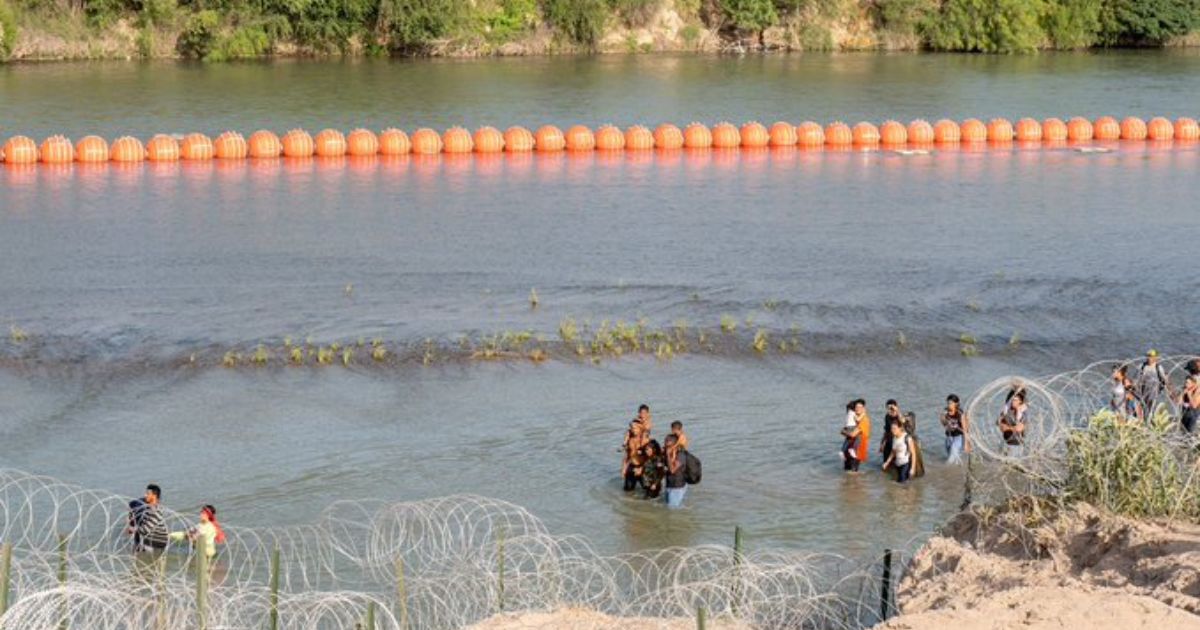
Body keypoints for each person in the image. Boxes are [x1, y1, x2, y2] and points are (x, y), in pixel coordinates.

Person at [127, 484, 168, 553]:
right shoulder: (147, 507)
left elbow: (145, 530)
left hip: (158, 542)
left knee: (135, 553)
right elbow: (131, 504)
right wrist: (131, 517)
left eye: (148, 493)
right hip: (151, 538)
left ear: (154, 496)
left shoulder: (155, 511)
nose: (145, 495)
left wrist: (131, 528)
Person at [1137, 350, 1170, 415]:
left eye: (1151, 356)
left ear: (1156, 358)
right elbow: (1136, 379)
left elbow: (1164, 380)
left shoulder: (1158, 367)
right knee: (1143, 409)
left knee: (1151, 409)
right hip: (1143, 391)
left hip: (1155, 392)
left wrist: (1168, 388)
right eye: (1148, 356)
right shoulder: (1142, 366)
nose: (1149, 358)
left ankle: (1150, 420)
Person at [940, 394, 970, 464]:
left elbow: (965, 430)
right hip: (948, 437)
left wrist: (966, 444)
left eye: (950, 403)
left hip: (958, 437)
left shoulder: (960, 414)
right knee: (952, 457)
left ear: (956, 404)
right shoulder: (945, 412)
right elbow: (943, 424)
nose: (948, 405)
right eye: (948, 403)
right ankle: (957, 471)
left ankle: (945, 470)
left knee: (950, 459)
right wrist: (942, 418)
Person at [621, 421, 649, 492]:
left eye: (635, 428)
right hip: (631, 466)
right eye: (631, 428)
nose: (633, 430)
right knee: (628, 491)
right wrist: (624, 468)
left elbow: (649, 457)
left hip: (643, 467)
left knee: (648, 491)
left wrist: (641, 468)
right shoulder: (630, 440)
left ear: (640, 428)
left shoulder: (645, 440)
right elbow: (627, 455)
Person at [998, 391, 1028, 456]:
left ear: (1020, 401)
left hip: (1017, 445)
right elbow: (1002, 427)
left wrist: (1008, 428)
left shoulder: (1023, 414)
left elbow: (1019, 429)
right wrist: (1012, 428)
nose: (1012, 401)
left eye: (1015, 400)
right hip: (1006, 443)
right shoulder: (1006, 412)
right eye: (1012, 400)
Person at [663, 434, 688, 508]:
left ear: (674, 444)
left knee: (672, 509)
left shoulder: (680, 455)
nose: (665, 445)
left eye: (667, 444)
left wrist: (667, 455)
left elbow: (672, 470)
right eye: (665, 442)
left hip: (677, 487)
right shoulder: (668, 454)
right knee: (669, 507)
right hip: (669, 485)